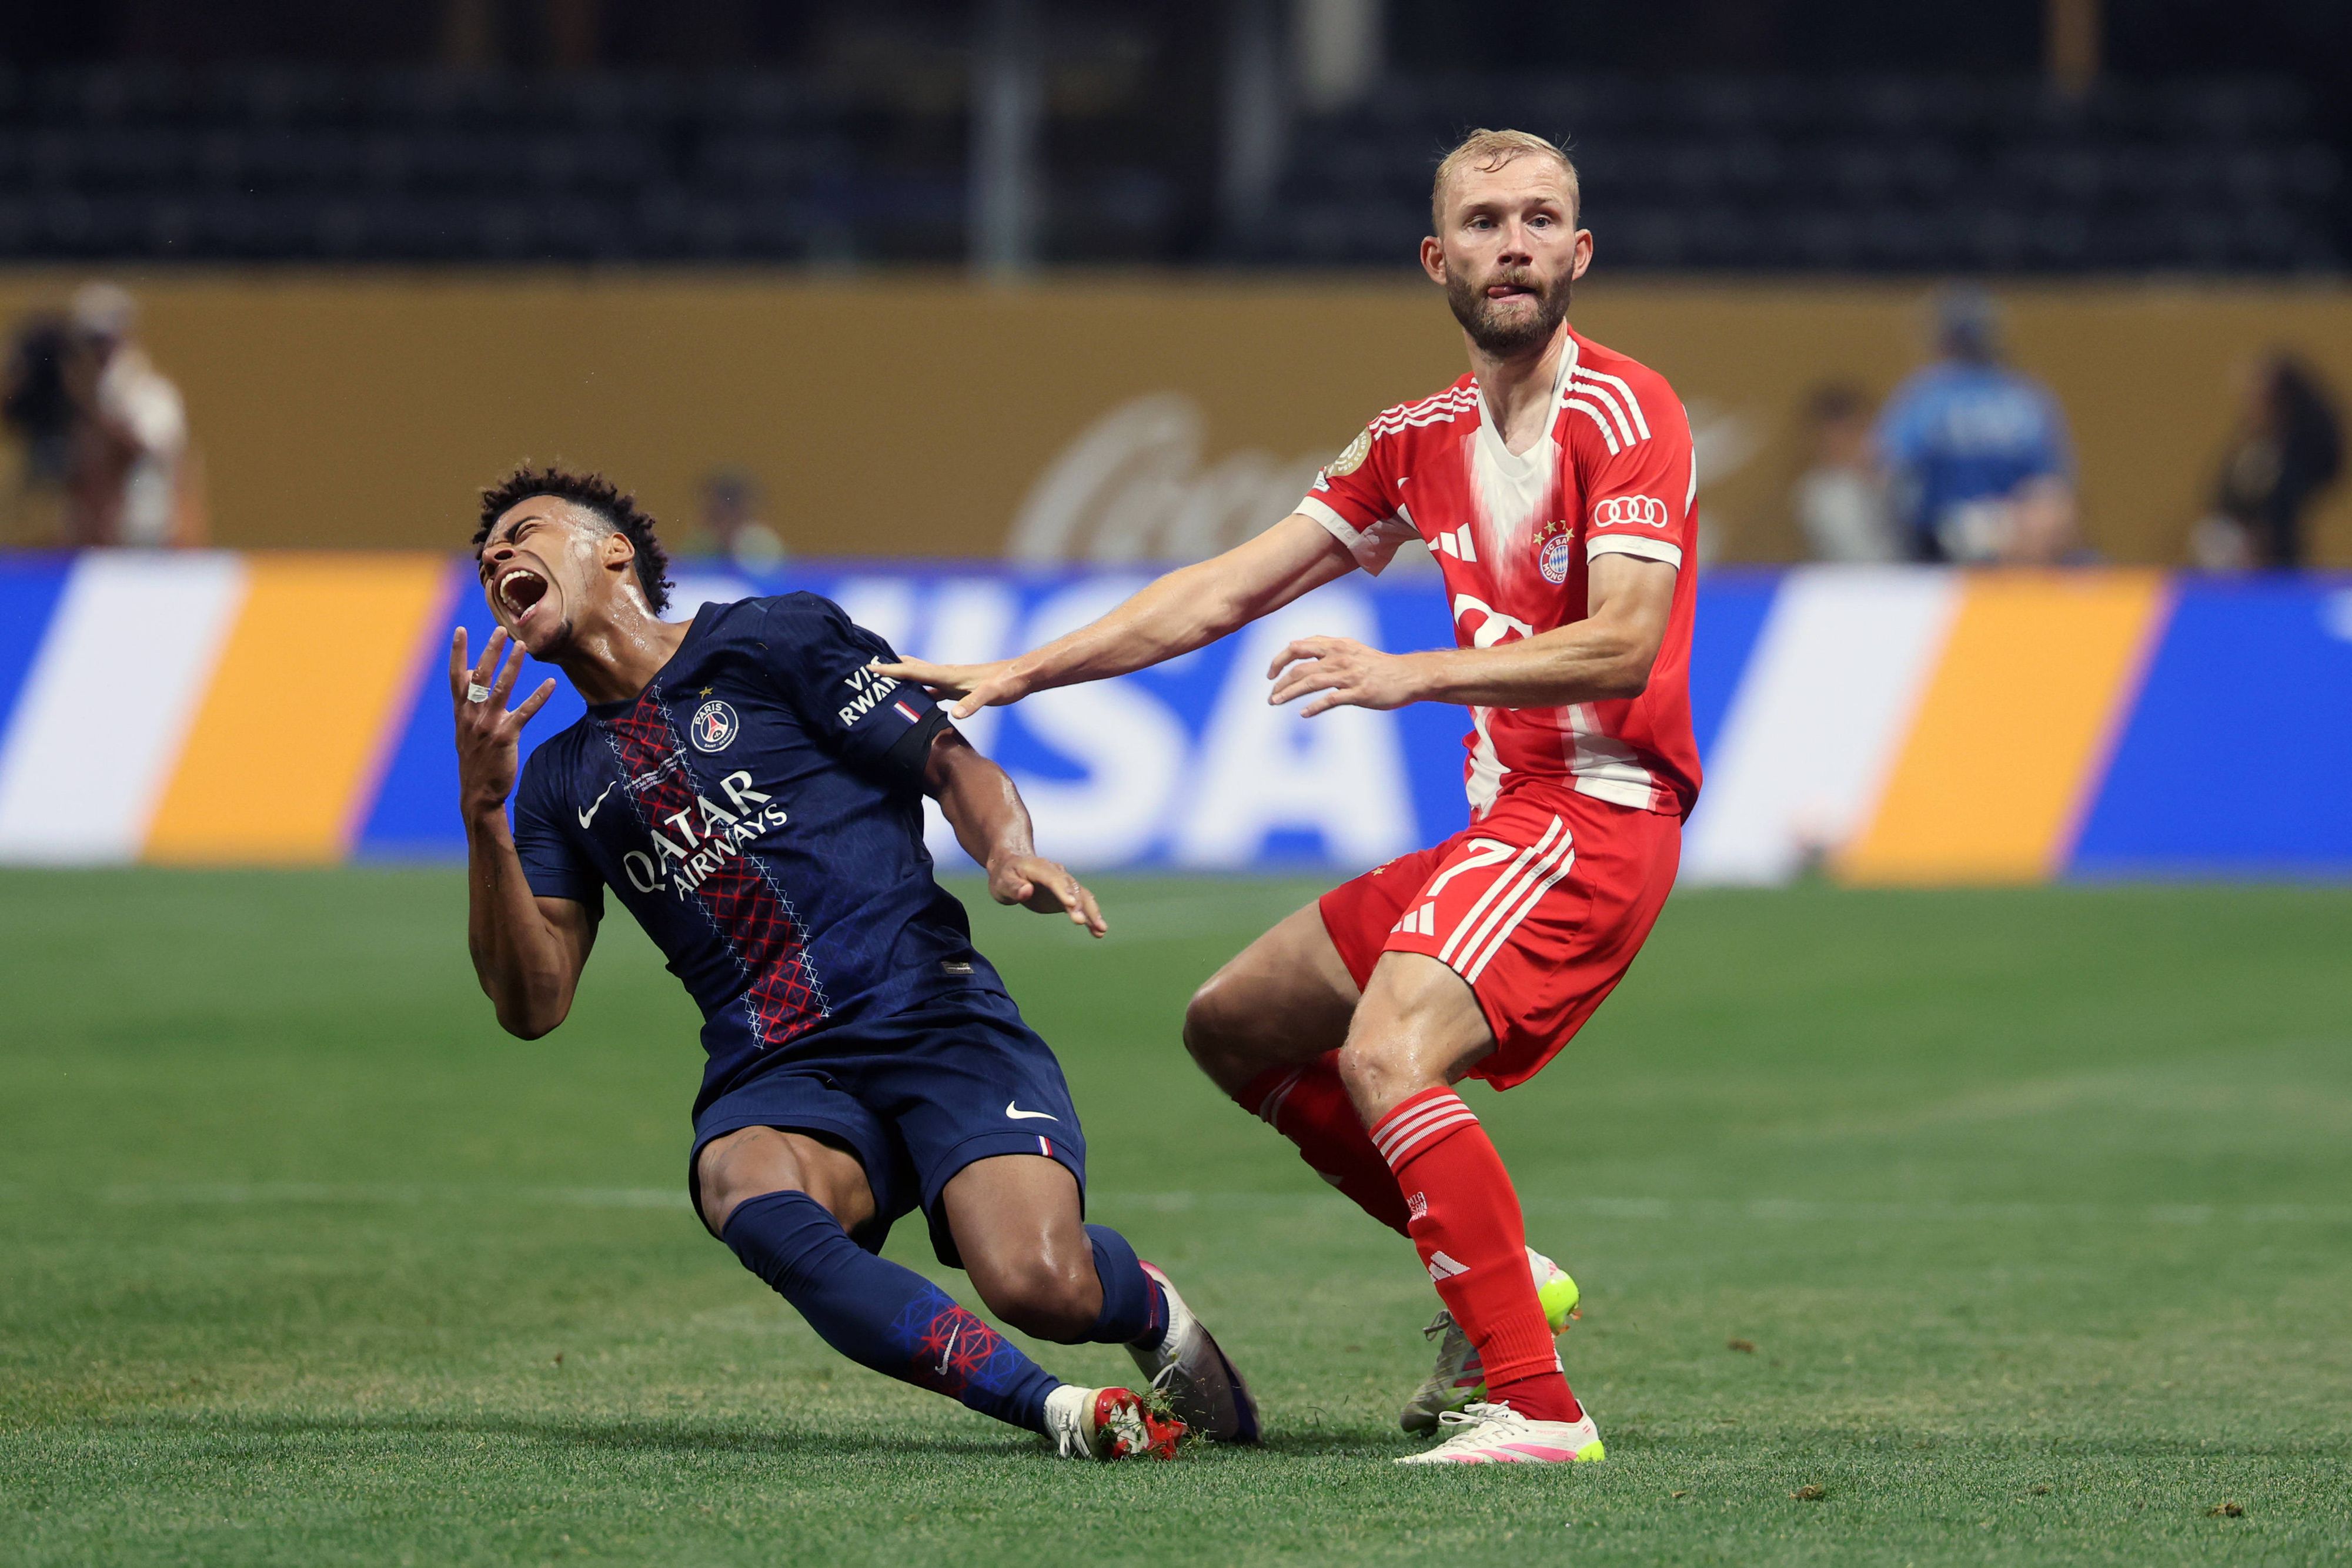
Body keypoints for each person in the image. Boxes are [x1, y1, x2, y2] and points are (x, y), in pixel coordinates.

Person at [880, 128, 1691, 1467]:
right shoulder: (1415, 441)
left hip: (1592, 814)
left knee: (1383, 1054)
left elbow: (1625, 641)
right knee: (1236, 1027)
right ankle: (1502, 1264)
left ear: (1578, 253)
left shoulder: (1625, 412)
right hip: (1506, 828)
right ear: (1437, 259)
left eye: (1542, 220)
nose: (1515, 244)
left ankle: (1538, 1409)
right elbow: (1220, 590)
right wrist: (1022, 670)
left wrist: (1408, 675)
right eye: (1485, 221)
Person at [453, 466, 1255, 1462]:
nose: (497, 554)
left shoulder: (771, 638)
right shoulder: (555, 783)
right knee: (737, 1182)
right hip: (779, 1067)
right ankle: (1050, 1408)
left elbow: (950, 763)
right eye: (486, 552)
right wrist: (483, 814)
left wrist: (1005, 850)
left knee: (1039, 1284)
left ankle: (1147, 1307)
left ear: (612, 549)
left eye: (523, 532)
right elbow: (533, 1004)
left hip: (930, 1010)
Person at [1875, 288, 2075, 565]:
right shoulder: (2026, 397)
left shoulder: (1926, 396)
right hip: (1957, 538)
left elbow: (1885, 469)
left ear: (1942, 341)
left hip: (2000, 536)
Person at [55, 283, 203, 547]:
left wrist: (100, 417)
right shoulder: (86, 396)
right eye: (89, 343)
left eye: (102, 342)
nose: (97, 353)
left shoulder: (150, 392)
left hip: (146, 527)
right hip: (98, 533)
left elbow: (158, 452)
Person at [2192, 353, 2341, 571]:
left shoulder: (2297, 452)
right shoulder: (2249, 448)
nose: (2254, 406)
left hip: (2276, 558)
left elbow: (2286, 504)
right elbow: (2222, 495)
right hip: (2237, 549)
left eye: (2263, 398)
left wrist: (2264, 542)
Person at [1792, 383, 1900, 563]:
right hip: (1865, 583)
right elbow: (1868, 561)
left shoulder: (1886, 477)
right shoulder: (1826, 493)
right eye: (1851, 432)